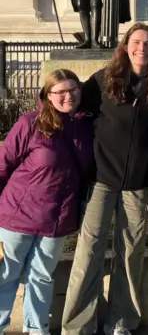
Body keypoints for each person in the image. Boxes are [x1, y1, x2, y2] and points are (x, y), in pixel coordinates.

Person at [61, 23, 148, 335]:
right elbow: (69, 105)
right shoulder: (103, 80)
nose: (143, 48)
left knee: (131, 252)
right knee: (89, 250)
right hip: (102, 178)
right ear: (126, 46)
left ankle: (122, 321)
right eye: (137, 42)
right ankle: (78, 325)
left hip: (139, 183)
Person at [0, 69, 94, 335]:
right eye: (60, 91)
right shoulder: (30, 123)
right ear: (48, 95)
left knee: (41, 277)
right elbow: (4, 164)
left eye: (73, 90)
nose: (68, 96)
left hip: (57, 221)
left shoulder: (85, 127)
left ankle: (37, 328)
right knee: (5, 276)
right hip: (16, 218)